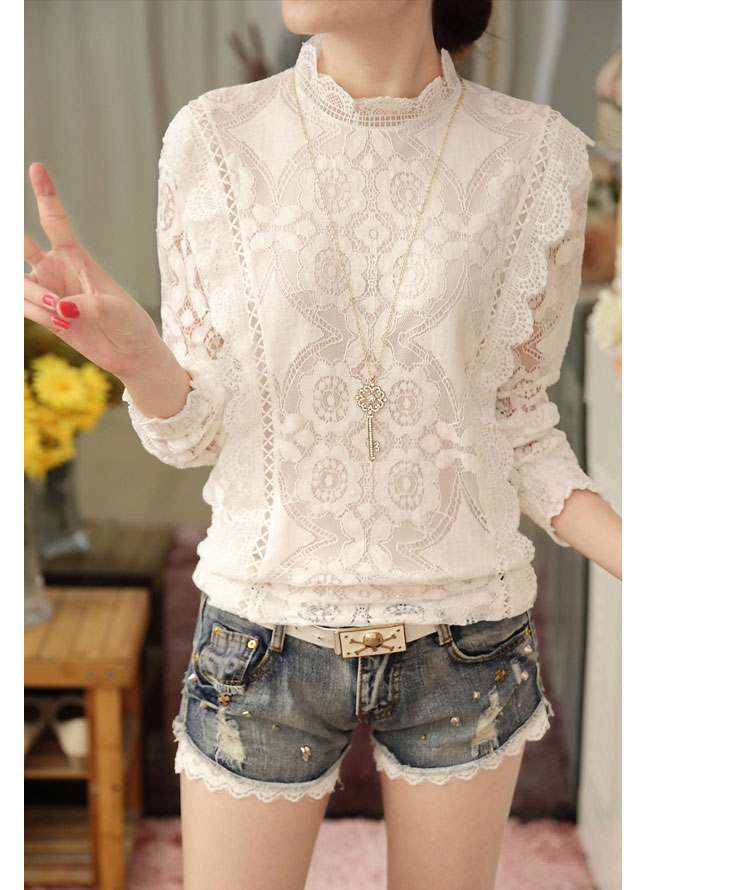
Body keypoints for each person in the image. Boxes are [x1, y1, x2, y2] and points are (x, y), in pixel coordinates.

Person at [24, 1, 623, 887]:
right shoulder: (214, 141)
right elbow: (197, 431)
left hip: (469, 640)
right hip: (261, 639)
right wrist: (143, 362)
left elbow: (516, 422)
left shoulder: (540, 155)